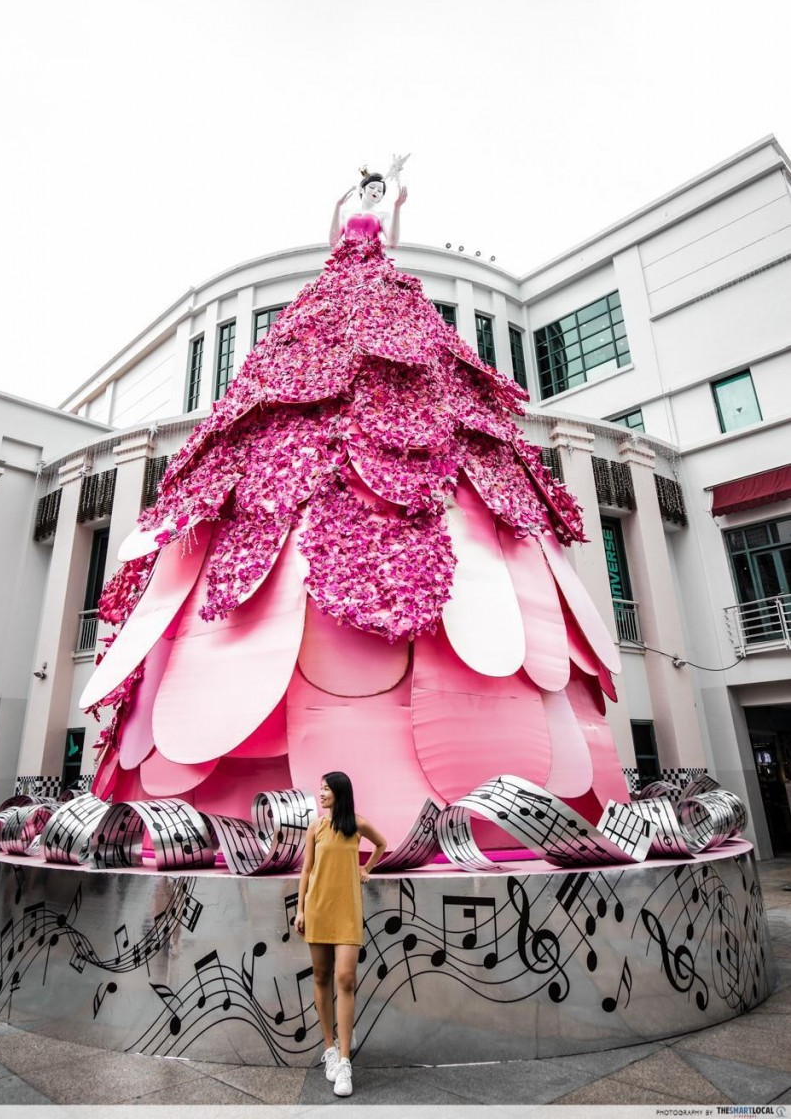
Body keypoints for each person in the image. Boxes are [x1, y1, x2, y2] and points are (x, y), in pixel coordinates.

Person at [82, 161, 625, 859]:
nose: (366, 203)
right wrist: (351, 200)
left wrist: (393, 196)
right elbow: (334, 223)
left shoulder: (382, 227)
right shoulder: (342, 224)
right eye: (365, 195)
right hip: (333, 303)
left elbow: (388, 225)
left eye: (369, 197)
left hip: (382, 297)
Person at [294, 772, 386, 1097]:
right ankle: (330, 1048)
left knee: (345, 979)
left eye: (326, 789)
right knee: (321, 977)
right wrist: (301, 909)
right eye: (320, 788)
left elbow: (382, 844)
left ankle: (345, 1062)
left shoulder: (356, 825)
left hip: (347, 912)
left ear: (340, 793)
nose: (321, 793)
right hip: (317, 908)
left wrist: (367, 869)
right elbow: (306, 869)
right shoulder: (315, 828)